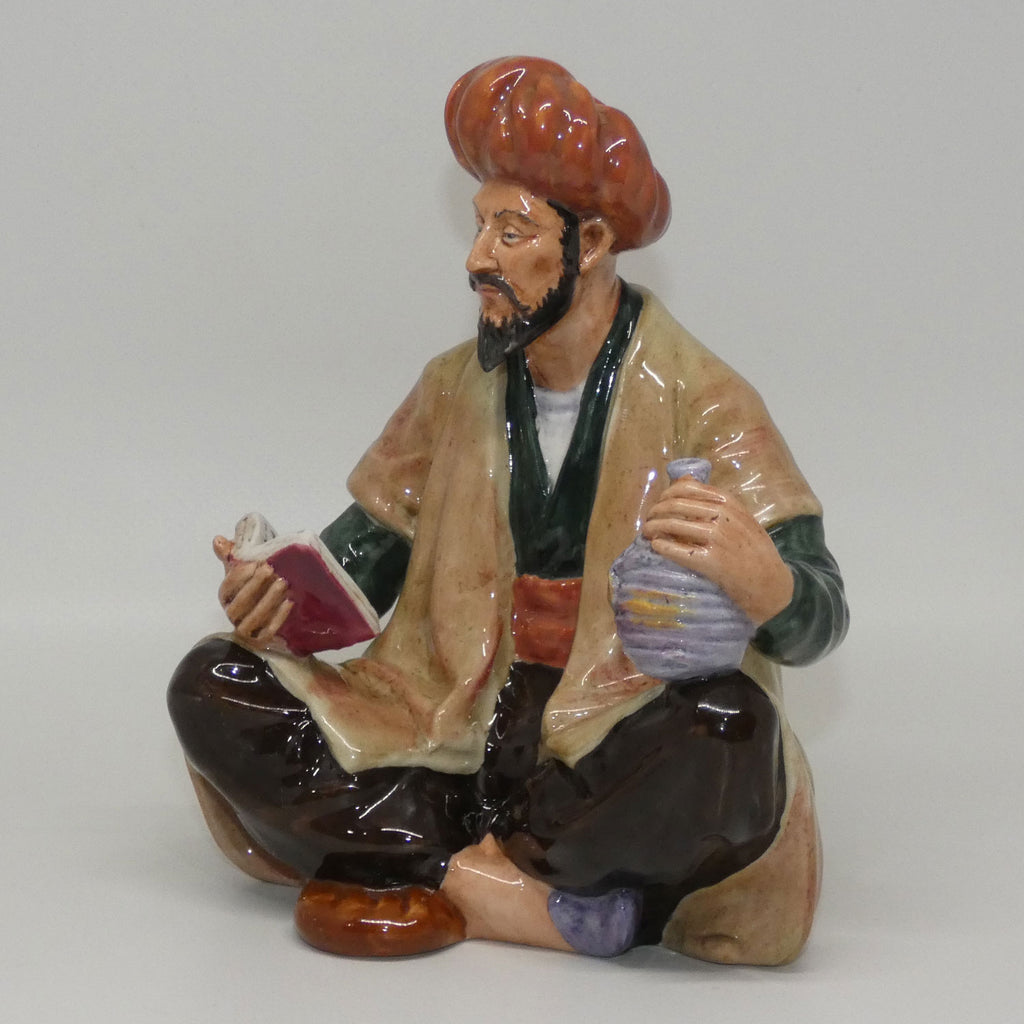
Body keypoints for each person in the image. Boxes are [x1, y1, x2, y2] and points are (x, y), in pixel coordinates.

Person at [168, 56, 848, 965]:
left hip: (603, 743)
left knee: (728, 729)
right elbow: (364, 561)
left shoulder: (705, 398)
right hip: (448, 730)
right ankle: (528, 891)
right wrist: (280, 602)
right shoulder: (452, 389)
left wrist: (767, 583)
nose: (477, 257)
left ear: (590, 242)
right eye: (481, 224)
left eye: (511, 230)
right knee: (211, 681)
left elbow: (818, 616)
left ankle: (419, 864)